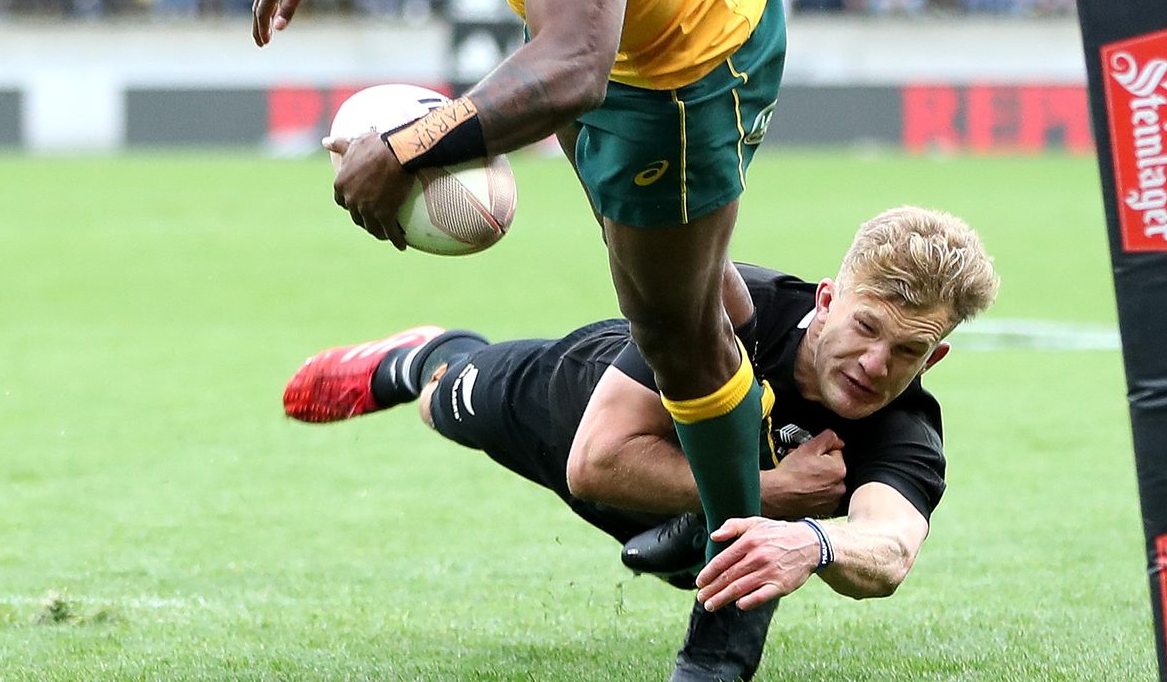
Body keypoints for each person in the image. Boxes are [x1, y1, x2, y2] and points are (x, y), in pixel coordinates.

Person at [253, 0, 786, 679]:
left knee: (670, 329)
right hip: (585, 38)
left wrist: (411, 149)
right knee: (680, 284)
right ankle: (751, 433)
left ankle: (735, 593)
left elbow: (576, 69)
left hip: (677, 62)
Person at [284, 207, 1001, 677]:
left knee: (732, 542)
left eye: (908, 351)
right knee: (444, 399)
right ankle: (424, 354)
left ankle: (695, 556)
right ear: (827, 300)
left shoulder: (905, 427)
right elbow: (596, 464)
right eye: (867, 328)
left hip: (686, 509)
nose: (875, 365)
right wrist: (779, 494)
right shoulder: (731, 308)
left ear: (934, 357)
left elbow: (889, 550)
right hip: (583, 406)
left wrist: (812, 542)